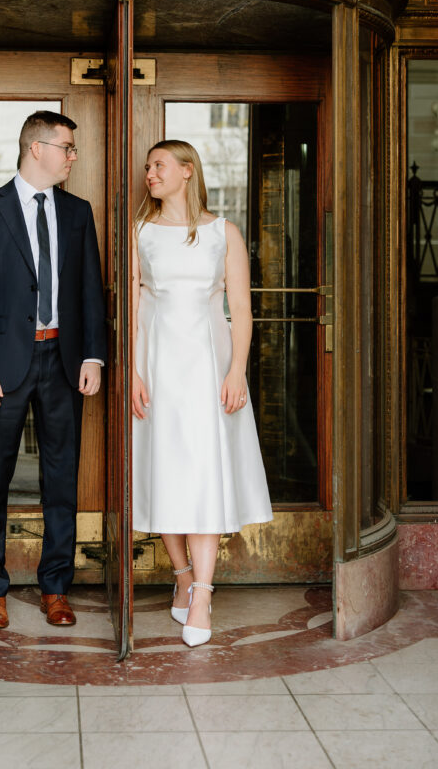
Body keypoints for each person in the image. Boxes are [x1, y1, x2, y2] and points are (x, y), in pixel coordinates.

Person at [0, 111, 106, 630]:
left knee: (61, 479)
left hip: (63, 361)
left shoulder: (78, 212)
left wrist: (92, 355)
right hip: (0, 365)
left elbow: (90, 292)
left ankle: (55, 588)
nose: (72, 157)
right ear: (36, 148)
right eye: (67, 147)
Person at [132, 140, 272, 647]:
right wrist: (133, 373)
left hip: (210, 370)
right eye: (148, 167)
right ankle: (182, 574)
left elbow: (240, 308)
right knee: (165, 472)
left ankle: (205, 593)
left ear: (187, 171)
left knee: (204, 475)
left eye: (160, 165)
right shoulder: (140, 232)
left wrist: (237, 371)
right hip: (158, 368)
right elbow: (131, 308)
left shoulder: (224, 233)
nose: (151, 173)